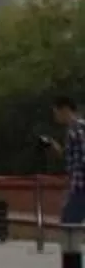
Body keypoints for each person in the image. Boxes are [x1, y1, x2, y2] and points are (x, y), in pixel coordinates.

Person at [51, 95, 85, 227]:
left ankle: (70, 243)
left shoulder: (78, 127)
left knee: (69, 223)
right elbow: (74, 156)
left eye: (56, 113)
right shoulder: (73, 129)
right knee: (69, 221)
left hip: (81, 186)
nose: (55, 117)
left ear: (65, 109)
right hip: (77, 184)